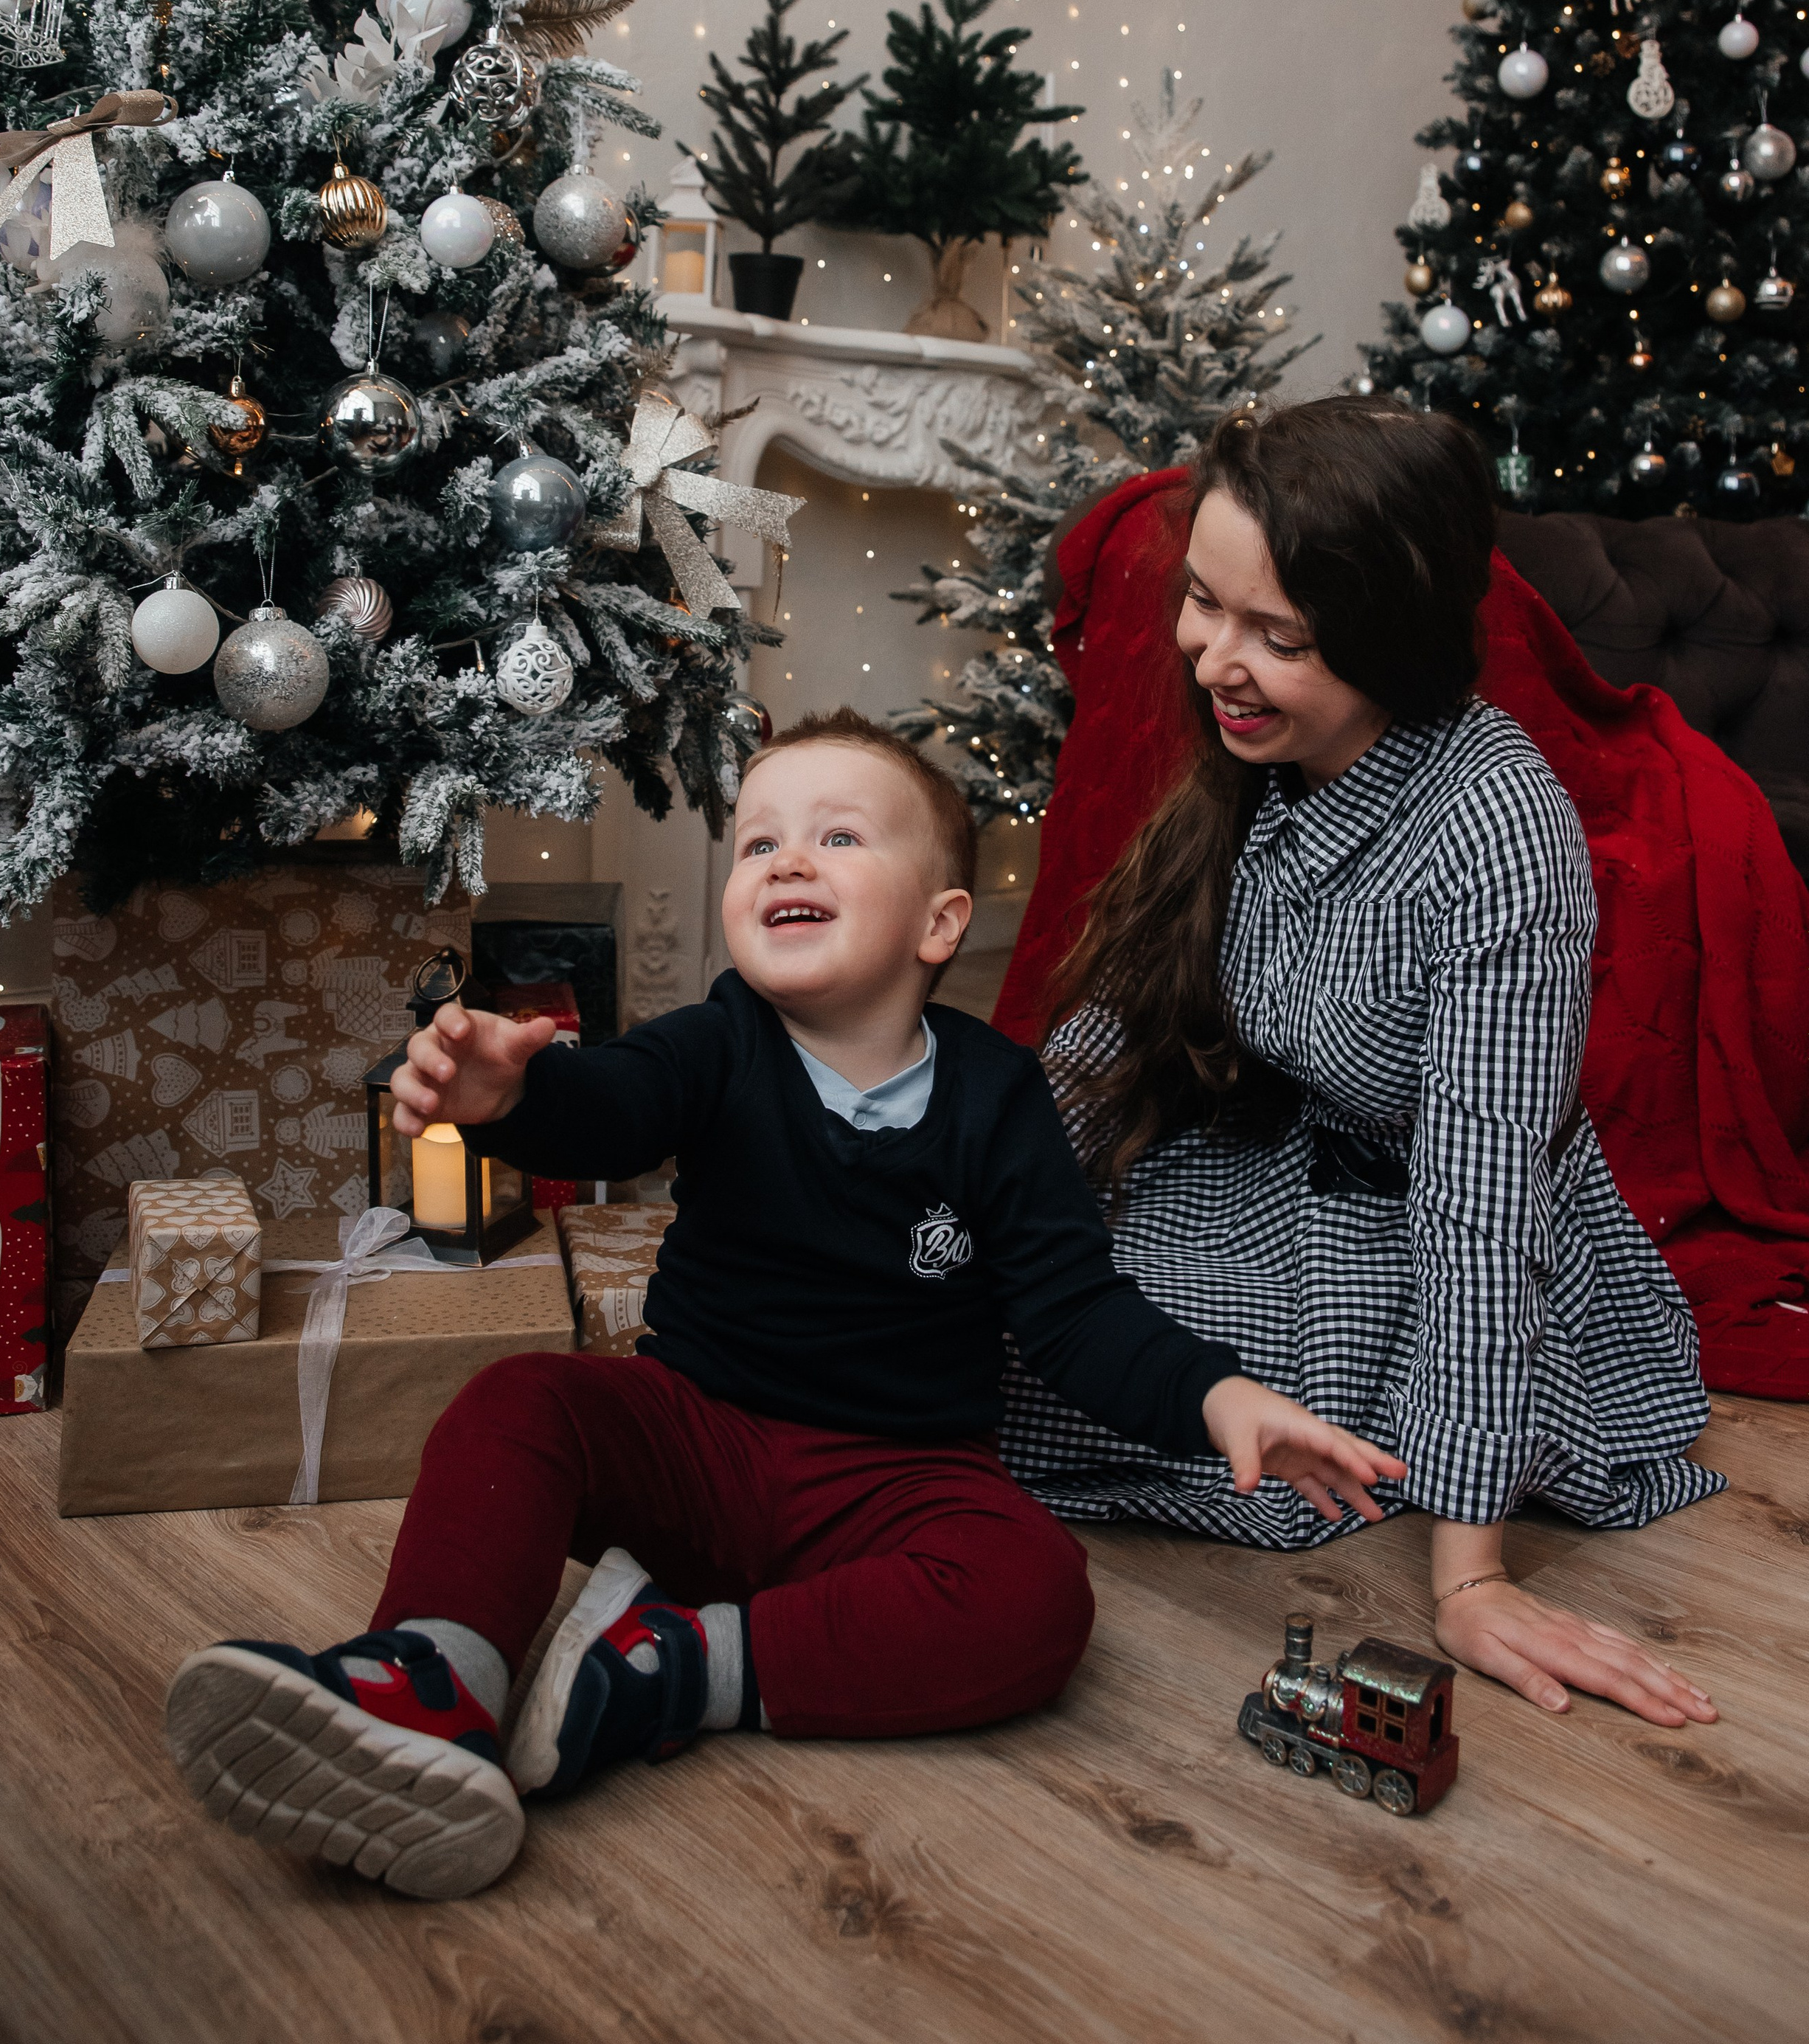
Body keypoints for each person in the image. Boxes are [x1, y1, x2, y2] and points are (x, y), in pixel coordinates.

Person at [163, 707, 1403, 1899]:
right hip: (698, 1431)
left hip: (896, 1477)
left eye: (838, 838)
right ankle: (431, 1682)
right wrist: (510, 1100)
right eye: (758, 842)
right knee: (518, 1404)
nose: (787, 860)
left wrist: (1219, 1397)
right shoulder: (722, 1042)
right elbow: (616, 1102)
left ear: (939, 922)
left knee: (1037, 1596)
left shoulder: (998, 1095)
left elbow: (1076, 1313)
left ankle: (669, 1667)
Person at [1000, 398, 1725, 1730]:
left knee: (1238, 1425)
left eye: (1277, 637)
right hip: (1252, 1162)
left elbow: (1479, 1204)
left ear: (1389, 644)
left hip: (1414, 1227)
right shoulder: (1249, 764)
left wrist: (1473, 1581)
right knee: (1012, 1298)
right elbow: (1106, 1041)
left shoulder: (1498, 830)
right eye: (1205, 605)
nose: (1215, 657)